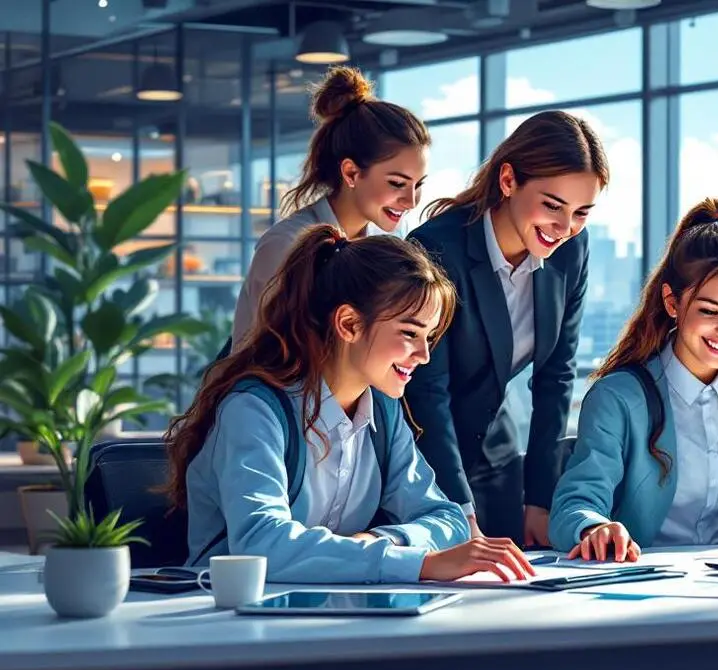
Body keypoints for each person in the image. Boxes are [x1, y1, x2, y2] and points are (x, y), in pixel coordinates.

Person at [163, 225, 534, 584]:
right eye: (409, 333)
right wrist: (417, 563)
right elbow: (262, 545)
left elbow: (448, 520)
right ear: (349, 324)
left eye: (429, 336)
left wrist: (376, 542)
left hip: (330, 615)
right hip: (222, 619)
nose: (423, 355)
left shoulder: (383, 411)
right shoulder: (254, 411)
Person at [548, 198, 718, 561]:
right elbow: (576, 501)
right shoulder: (618, 398)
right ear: (672, 302)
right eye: (709, 311)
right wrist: (594, 528)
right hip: (634, 585)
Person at [405, 110, 606, 546]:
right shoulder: (437, 249)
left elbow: (556, 377)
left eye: (581, 213)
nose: (564, 228)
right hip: (425, 466)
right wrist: (459, 512)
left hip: (497, 462)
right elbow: (427, 393)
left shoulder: (571, 251)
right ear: (509, 180)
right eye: (552, 205)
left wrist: (541, 499)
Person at [230, 65, 431, 348]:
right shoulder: (286, 247)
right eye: (397, 184)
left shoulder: (387, 245)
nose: (411, 201)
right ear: (351, 173)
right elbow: (275, 359)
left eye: (418, 185)